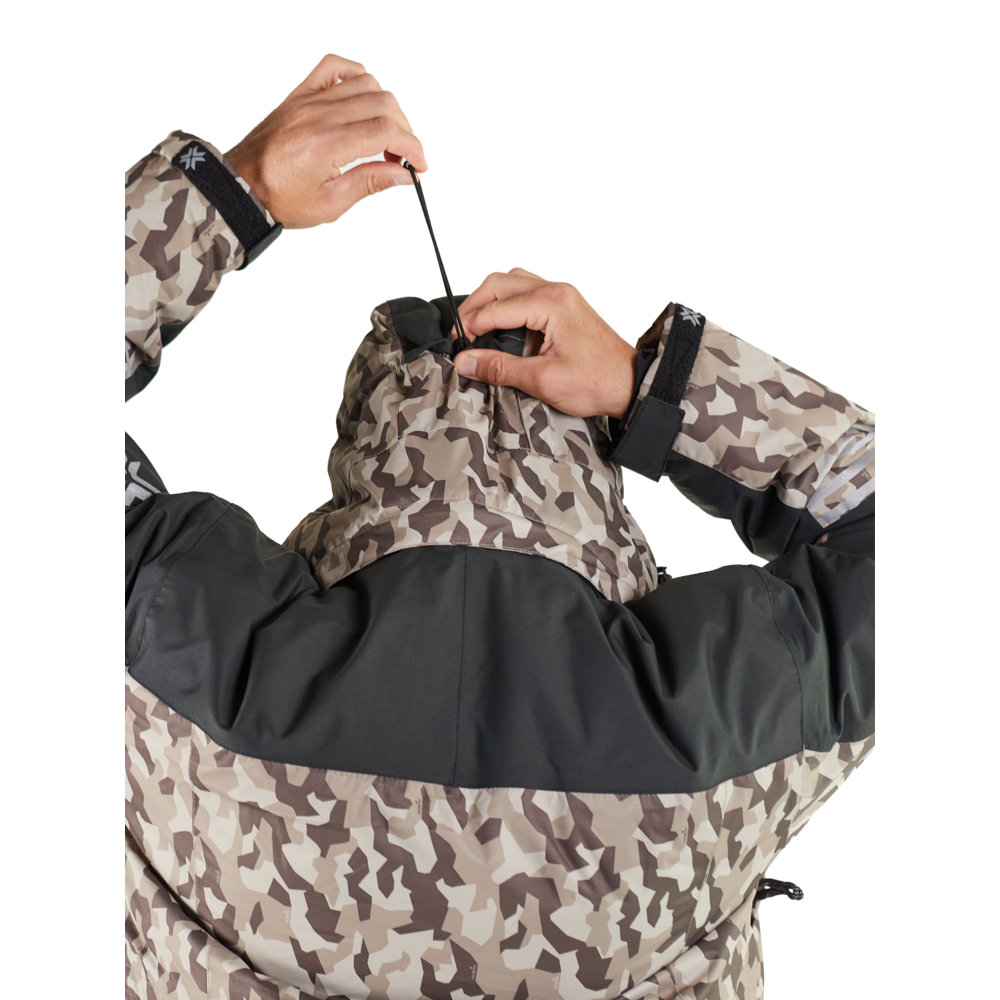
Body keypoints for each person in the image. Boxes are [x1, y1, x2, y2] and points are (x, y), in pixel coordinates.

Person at [126, 55, 875, 1000]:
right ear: (594, 473)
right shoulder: (724, 716)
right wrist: (649, 388)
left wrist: (232, 192)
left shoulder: (187, 653)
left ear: (364, 437)